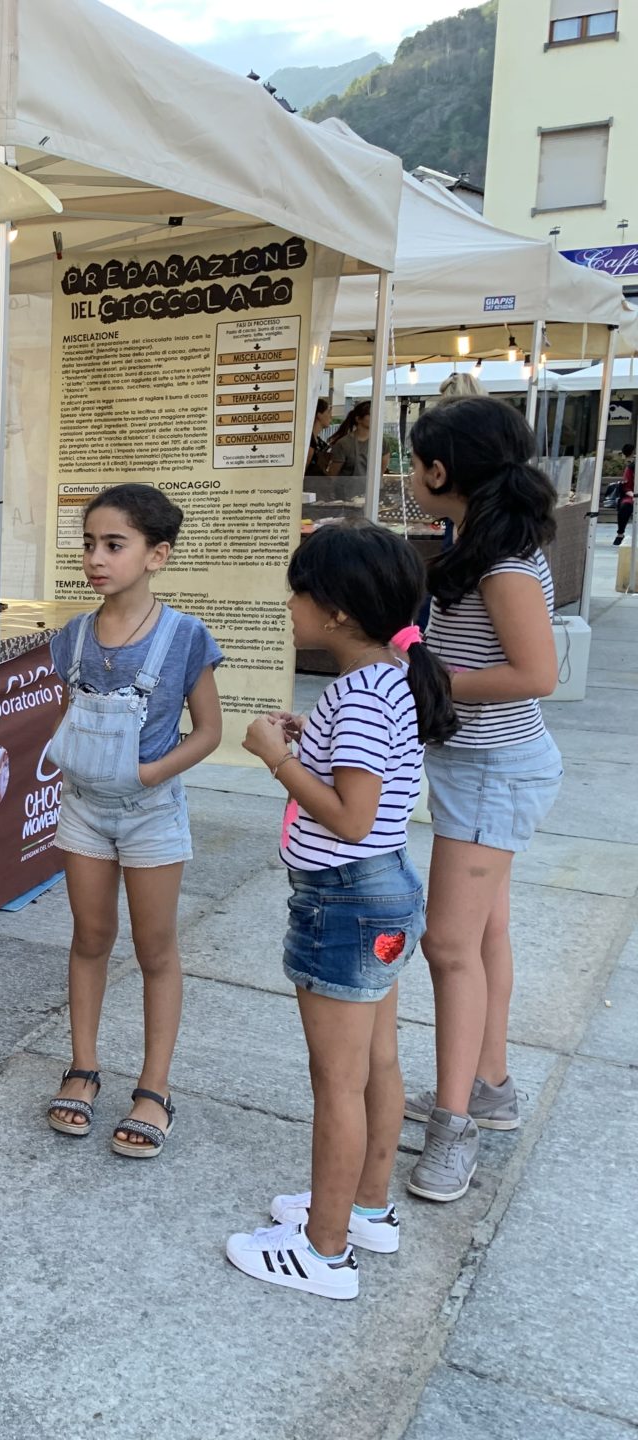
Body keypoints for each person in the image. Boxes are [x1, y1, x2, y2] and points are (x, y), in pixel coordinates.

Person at [226, 522, 457, 1300]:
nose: (288, 606)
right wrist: (308, 746)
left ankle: (324, 1251)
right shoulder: (391, 678)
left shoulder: (356, 694)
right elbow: (365, 786)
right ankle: (365, 1208)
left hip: (346, 901)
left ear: (337, 610)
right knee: (376, 1064)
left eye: (298, 592)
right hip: (382, 898)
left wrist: (277, 757)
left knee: (338, 1080)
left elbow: (350, 818)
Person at [401, 396, 561, 1203]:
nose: (407, 474)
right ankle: (487, 1085)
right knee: (485, 934)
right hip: (476, 767)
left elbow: (537, 675)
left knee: (447, 946)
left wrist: (429, 682)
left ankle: (454, 1125)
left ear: (441, 471)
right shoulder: (479, 543)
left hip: (497, 771)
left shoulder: (502, 566)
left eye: (413, 462)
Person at [44, 484, 223, 1158]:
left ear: (157, 555)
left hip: (151, 815)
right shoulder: (72, 637)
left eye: (114, 545)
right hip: (83, 810)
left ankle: (154, 1086)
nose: (96, 557)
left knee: (155, 948)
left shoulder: (185, 637)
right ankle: (83, 1067)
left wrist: (149, 774)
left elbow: (209, 732)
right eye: (90, 543)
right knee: (90, 936)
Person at [326, 401, 374, 478]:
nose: (376, 417)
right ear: (358, 419)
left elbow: (380, 472)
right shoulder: (343, 444)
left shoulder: (382, 443)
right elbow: (332, 475)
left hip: (372, 486)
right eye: (371, 414)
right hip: (347, 485)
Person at [614, 444, 634, 547]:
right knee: (625, 506)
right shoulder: (631, 468)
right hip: (632, 496)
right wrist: (634, 496)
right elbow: (626, 488)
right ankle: (620, 533)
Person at [306, 398, 333, 476]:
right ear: (319, 415)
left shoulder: (318, 442)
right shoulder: (309, 442)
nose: (331, 416)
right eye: (328, 412)